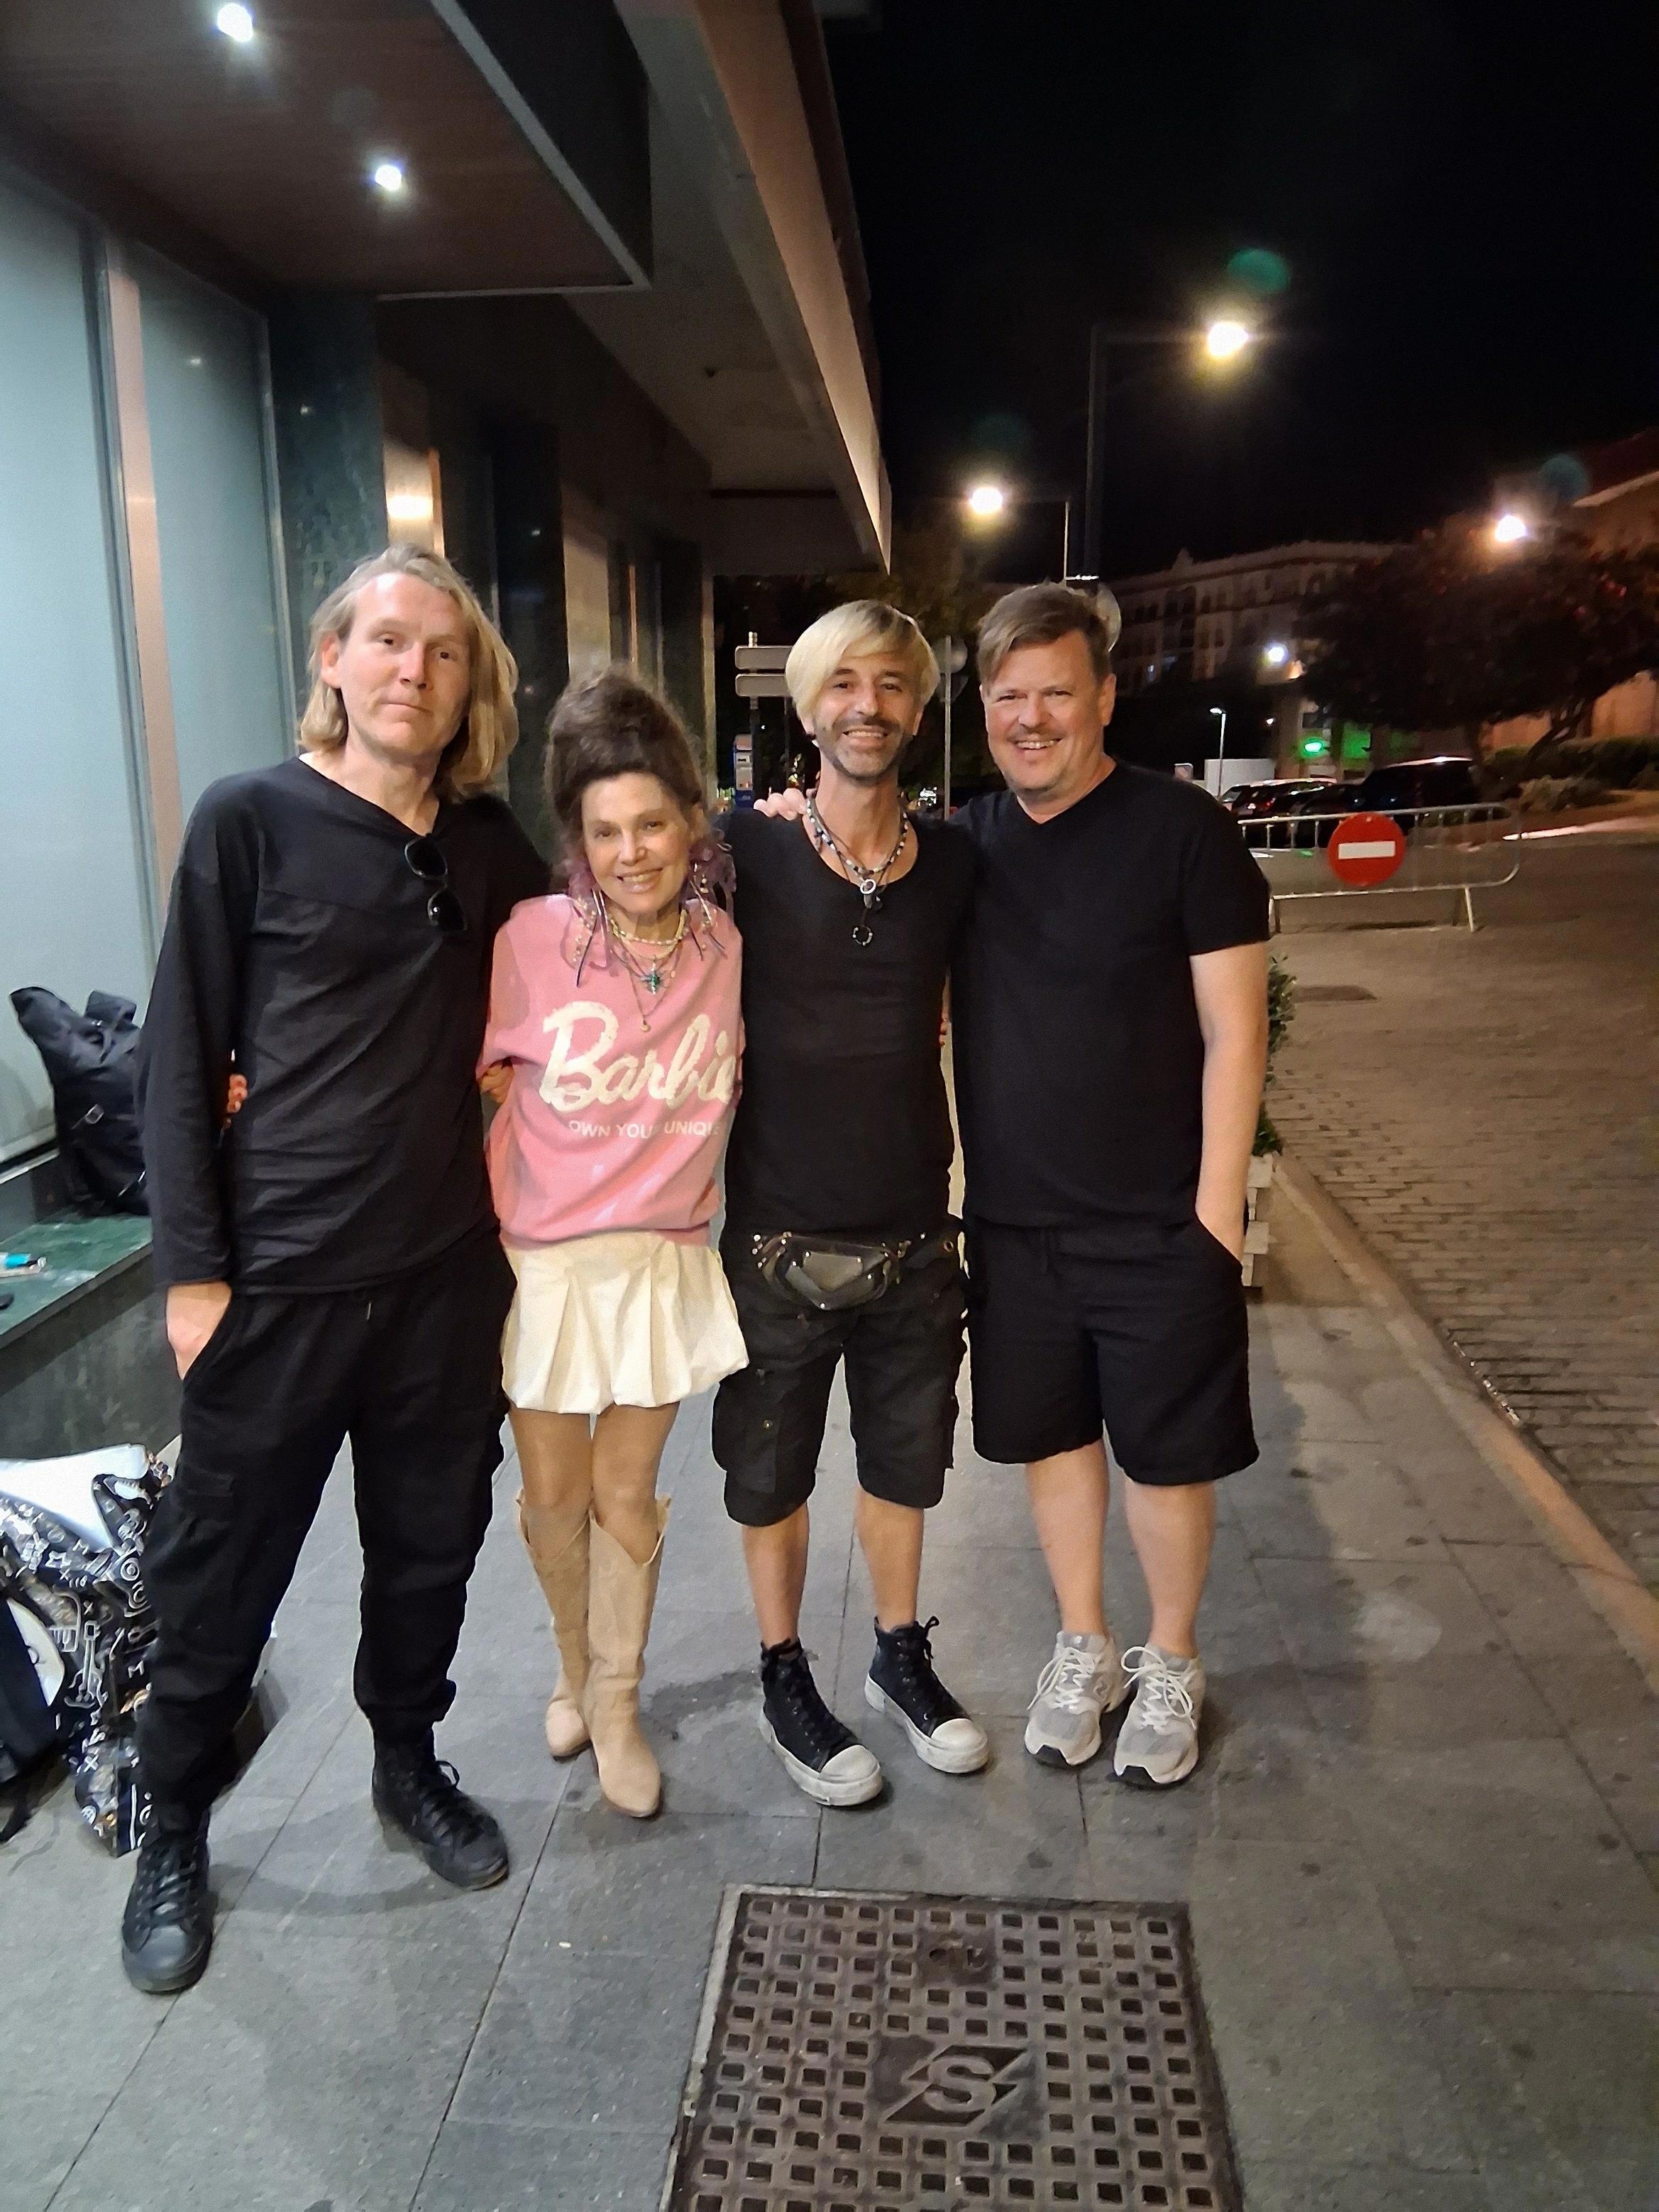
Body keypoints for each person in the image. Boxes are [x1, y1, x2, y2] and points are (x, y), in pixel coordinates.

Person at [123, 545, 547, 1996]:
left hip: (441, 1281)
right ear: (332, 660)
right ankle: (174, 1820)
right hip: (277, 1284)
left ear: (468, 685)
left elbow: (598, 951)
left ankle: (406, 1759)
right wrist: (192, 1279)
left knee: (429, 1547)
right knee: (220, 1573)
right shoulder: (247, 818)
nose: (412, 670)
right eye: (386, 641)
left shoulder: (486, 843)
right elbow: (179, 1057)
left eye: (442, 651)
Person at [951, 583, 1269, 1787]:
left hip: (1158, 1222)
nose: (1030, 717)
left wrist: (1215, 1212)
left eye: (1054, 692)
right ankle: (1082, 1644)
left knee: (1166, 1458)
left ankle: (1171, 1655)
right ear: (984, 706)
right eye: (1008, 695)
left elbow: (1235, 1031)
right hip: (1017, 1224)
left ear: (1103, 697)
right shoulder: (966, 845)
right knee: (1054, 1441)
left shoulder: (1183, 831)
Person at [715, 602, 989, 1807]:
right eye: (842, 683)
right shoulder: (744, 848)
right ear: (807, 704)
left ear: (918, 709)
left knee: (905, 1462)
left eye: (889, 685)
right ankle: (782, 1671)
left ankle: (896, 1652)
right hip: (776, 1231)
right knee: (769, 1470)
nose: (865, 705)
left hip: (916, 1228)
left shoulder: (958, 861)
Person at [479, 669, 745, 1820]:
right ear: (578, 843)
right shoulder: (531, 939)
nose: (631, 851)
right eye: (604, 831)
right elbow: (471, 1069)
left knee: (627, 1492)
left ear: (690, 821)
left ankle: (619, 1700)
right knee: (551, 1492)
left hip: (660, 1259)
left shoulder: (726, 944)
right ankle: (571, 1666)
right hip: (545, 1263)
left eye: (650, 823)